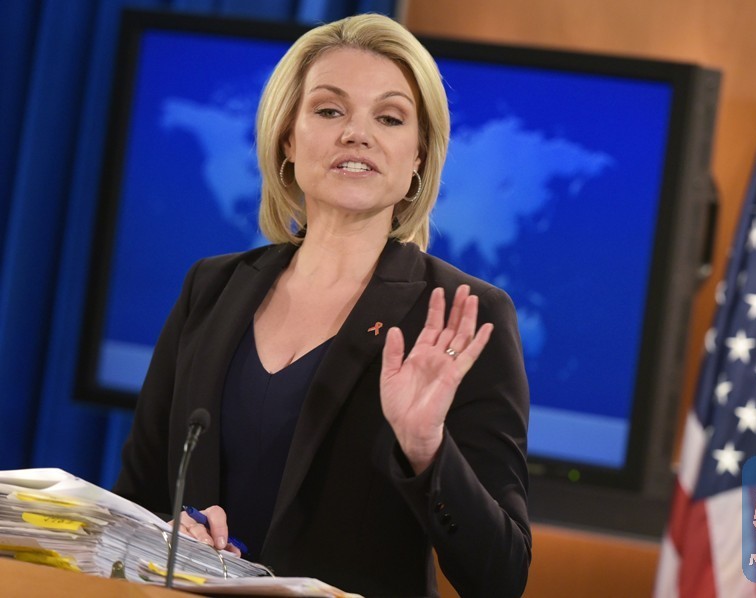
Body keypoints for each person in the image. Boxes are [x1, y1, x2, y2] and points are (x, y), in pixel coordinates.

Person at [113, 13, 530, 598]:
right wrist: (172, 535)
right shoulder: (210, 289)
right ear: (287, 137)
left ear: (418, 156)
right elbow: (137, 501)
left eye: (389, 117)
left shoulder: (463, 314)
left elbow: (501, 577)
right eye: (330, 110)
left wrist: (426, 450)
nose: (357, 134)